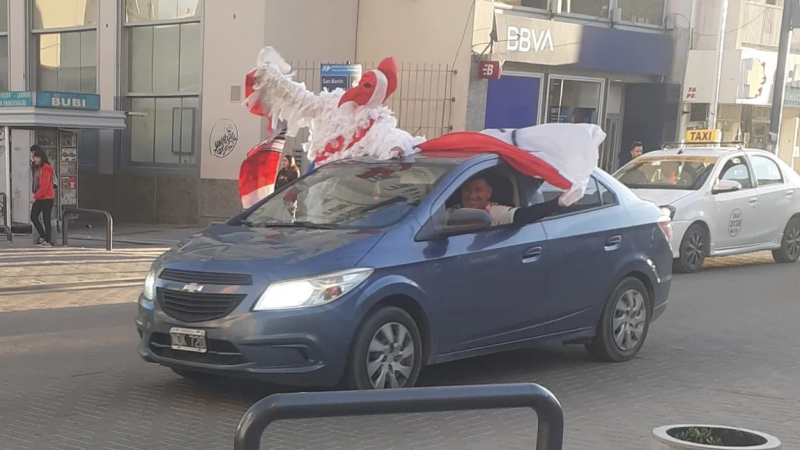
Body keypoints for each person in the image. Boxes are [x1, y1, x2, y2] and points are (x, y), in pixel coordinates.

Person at [448, 175, 564, 226]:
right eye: (467, 190)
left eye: (478, 190)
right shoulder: (449, 211)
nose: (472, 196)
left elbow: (522, 215)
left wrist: (557, 203)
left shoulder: (494, 212)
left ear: (489, 193)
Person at [30, 147, 55, 247]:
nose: (35, 159)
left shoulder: (46, 168)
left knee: (46, 219)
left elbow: (44, 186)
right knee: (34, 216)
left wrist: (35, 197)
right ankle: (44, 236)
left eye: (37, 157)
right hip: (41, 197)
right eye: (34, 157)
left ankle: (47, 240)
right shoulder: (38, 168)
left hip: (47, 198)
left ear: (42, 158)